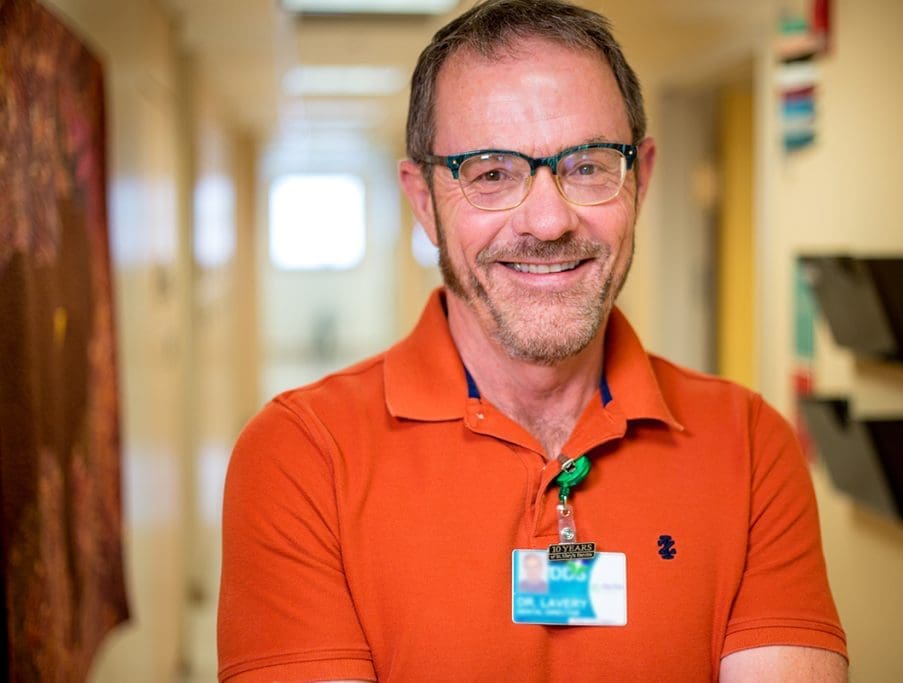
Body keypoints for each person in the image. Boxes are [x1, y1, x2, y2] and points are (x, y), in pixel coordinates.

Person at [217, 1, 848, 680]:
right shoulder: (303, 457)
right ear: (424, 199)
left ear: (640, 180)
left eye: (589, 166)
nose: (548, 221)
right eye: (491, 173)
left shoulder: (750, 447)